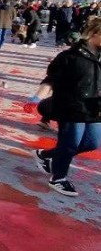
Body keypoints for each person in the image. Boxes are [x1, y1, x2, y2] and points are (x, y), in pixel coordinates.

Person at [29, 16, 101, 197]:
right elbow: (51, 80)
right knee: (69, 145)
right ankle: (58, 178)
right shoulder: (69, 57)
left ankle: (45, 155)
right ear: (93, 34)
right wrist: (37, 98)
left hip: (94, 108)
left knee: (91, 143)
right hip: (70, 106)